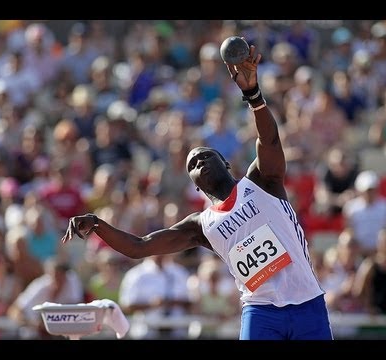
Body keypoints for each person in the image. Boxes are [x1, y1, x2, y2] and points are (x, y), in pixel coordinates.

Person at [61, 41, 334, 340]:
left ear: (227, 163)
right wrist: (98, 224)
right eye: (192, 163)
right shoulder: (201, 226)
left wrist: (253, 94)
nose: (199, 160)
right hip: (261, 310)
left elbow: (268, 141)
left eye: (206, 155)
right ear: (193, 183)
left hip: (308, 302)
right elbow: (139, 247)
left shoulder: (261, 182)